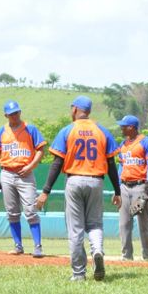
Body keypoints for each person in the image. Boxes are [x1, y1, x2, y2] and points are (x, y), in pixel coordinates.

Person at [36, 96, 121, 281]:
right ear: (88, 111)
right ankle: (97, 251)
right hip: (96, 181)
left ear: (75, 109)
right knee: (95, 224)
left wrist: (45, 191)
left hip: (74, 180)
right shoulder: (102, 131)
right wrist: (118, 191)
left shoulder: (68, 130)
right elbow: (111, 164)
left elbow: (57, 163)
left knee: (76, 229)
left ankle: (78, 274)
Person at [0, 100, 47, 257]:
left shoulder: (30, 129)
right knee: (12, 212)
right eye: (11, 113)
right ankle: (18, 246)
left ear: (20, 112)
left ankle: (38, 246)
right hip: (6, 173)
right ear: (6, 115)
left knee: (30, 210)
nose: (15, 115)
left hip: (25, 174)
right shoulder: (1, 132)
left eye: (17, 112)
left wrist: (31, 166)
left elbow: (41, 149)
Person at [116, 115, 148, 261]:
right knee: (124, 224)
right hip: (124, 187)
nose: (121, 128)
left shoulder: (146, 142)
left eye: (123, 126)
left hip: (140, 186)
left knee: (144, 223)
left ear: (131, 127)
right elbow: (121, 166)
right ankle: (126, 257)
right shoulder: (122, 145)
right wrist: (117, 188)